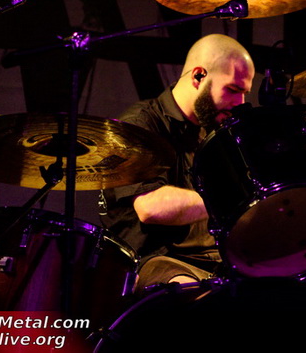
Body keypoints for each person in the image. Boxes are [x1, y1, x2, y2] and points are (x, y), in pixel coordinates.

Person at [100, 33, 255, 293]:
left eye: (244, 93)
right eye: (232, 90)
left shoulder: (214, 130)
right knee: (200, 300)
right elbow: (150, 208)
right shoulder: (140, 125)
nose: (239, 103)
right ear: (198, 76)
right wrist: (231, 200)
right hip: (154, 261)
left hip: (217, 261)